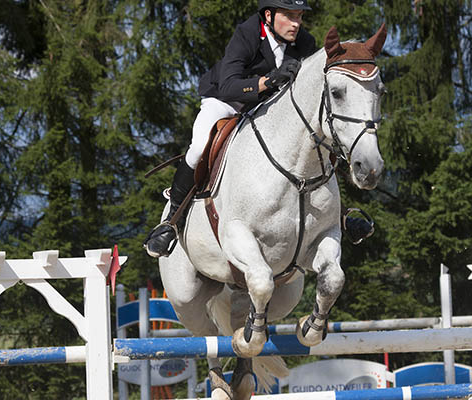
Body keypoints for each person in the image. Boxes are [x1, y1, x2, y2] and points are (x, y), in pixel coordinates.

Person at [145, 0, 373, 258]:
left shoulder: (304, 42)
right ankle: (172, 221)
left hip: (266, 106)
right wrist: (267, 81)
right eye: (289, 16)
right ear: (269, 15)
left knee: (315, 139)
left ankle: (339, 216)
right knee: (199, 146)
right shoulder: (248, 33)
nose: (296, 23)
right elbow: (229, 85)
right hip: (226, 101)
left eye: (299, 16)